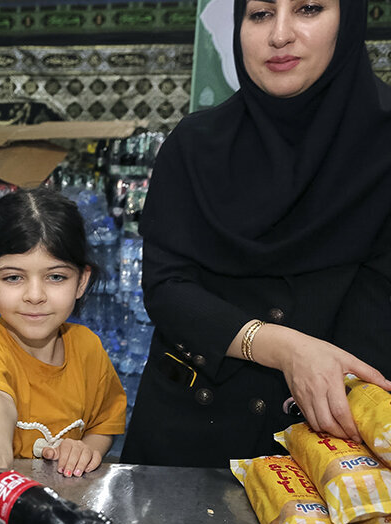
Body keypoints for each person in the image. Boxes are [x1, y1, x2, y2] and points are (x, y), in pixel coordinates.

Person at [121, 0, 391, 468]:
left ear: (348, 22)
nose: (279, 35)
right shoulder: (196, 144)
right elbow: (167, 288)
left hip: (332, 449)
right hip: (187, 440)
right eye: (260, 14)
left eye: (308, 9)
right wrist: (284, 348)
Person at [0, 188, 126, 510]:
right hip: (2, 510)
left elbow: (103, 424)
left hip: (70, 510)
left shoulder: (88, 348)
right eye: (13, 278)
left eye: (56, 277)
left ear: (81, 281)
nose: (35, 295)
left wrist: (88, 449)